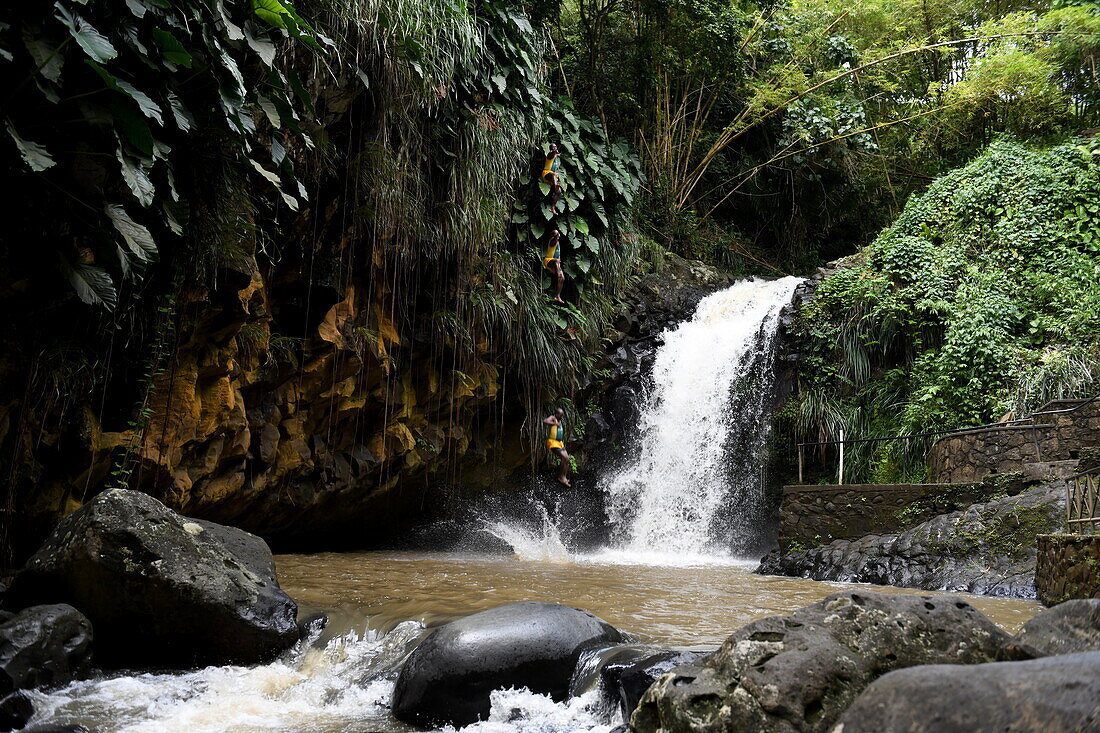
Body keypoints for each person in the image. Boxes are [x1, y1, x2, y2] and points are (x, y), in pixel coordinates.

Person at [543, 408, 571, 487]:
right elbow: (545, 421)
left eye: (562, 415)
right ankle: (561, 477)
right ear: (556, 414)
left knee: (567, 459)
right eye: (560, 415)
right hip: (553, 443)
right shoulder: (553, 418)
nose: (561, 417)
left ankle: (564, 477)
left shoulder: (560, 420)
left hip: (560, 443)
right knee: (565, 458)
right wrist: (554, 424)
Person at [542, 229, 565, 303]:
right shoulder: (552, 241)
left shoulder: (558, 243)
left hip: (556, 264)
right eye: (557, 234)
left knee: (562, 278)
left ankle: (557, 296)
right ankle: (557, 273)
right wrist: (555, 236)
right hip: (548, 261)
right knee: (556, 261)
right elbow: (554, 240)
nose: (559, 235)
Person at [541, 143, 562, 214]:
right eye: (553, 147)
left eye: (555, 147)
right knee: (553, 175)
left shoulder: (556, 156)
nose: (554, 148)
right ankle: (555, 186)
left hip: (552, 177)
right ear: (551, 149)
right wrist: (555, 151)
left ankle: (553, 208)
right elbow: (553, 154)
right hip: (546, 173)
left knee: (559, 192)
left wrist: (558, 154)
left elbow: (557, 155)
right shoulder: (550, 155)